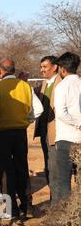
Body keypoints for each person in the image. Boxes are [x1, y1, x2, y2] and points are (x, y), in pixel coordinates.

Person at [0, 59, 43, 219]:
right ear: (13, 70)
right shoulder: (25, 86)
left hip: (2, 133)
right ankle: (27, 206)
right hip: (20, 133)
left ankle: (10, 209)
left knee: (6, 171)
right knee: (22, 167)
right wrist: (27, 121)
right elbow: (39, 109)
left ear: (1, 71)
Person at [49, 52, 81, 203]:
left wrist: (77, 124)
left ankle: (65, 217)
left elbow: (61, 113)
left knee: (64, 181)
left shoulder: (62, 86)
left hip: (66, 139)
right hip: (79, 139)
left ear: (62, 69)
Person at [33, 56, 62, 185]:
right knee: (48, 165)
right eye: (41, 67)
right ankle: (53, 199)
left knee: (57, 167)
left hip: (58, 133)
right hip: (44, 132)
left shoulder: (63, 83)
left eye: (45, 67)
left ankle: (58, 201)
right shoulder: (44, 84)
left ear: (55, 67)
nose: (42, 70)